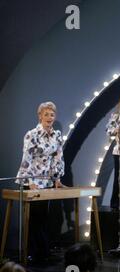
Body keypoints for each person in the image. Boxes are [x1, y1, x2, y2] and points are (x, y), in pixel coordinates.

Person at [16, 101, 65, 263]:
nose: (49, 118)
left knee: (43, 217)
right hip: (32, 181)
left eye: (52, 115)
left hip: (47, 182)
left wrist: (57, 178)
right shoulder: (32, 134)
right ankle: (32, 252)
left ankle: (42, 252)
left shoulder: (57, 135)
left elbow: (58, 158)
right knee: (33, 218)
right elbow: (26, 159)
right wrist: (29, 181)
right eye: (46, 114)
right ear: (40, 116)